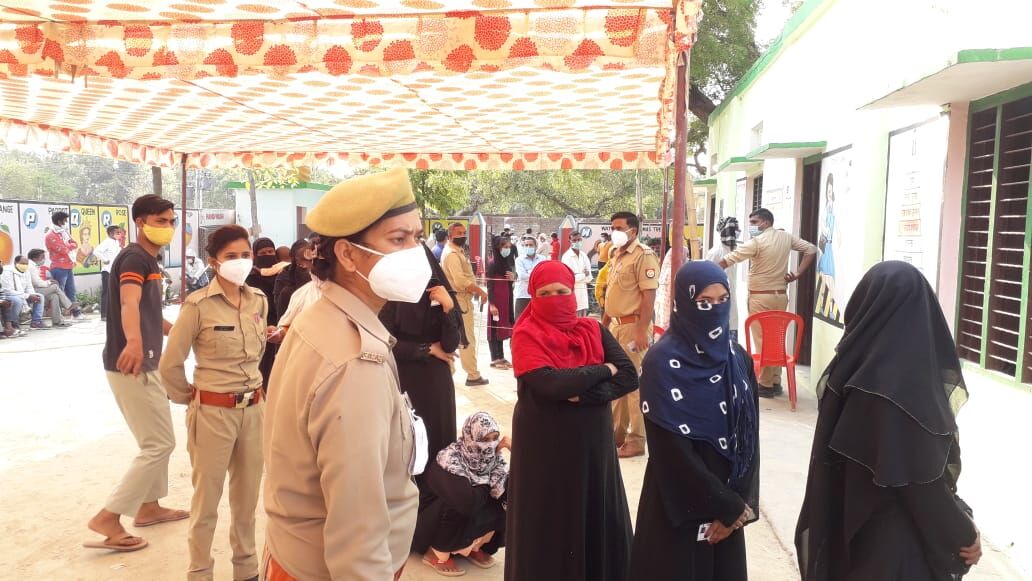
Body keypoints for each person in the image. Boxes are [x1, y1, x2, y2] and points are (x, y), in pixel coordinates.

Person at [263, 167, 423, 581]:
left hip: (295, 554)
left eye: (417, 237)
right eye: (398, 239)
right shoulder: (354, 361)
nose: (415, 253)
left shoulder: (323, 316)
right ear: (348, 255)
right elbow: (357, 531)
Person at [795, 261, 982, 580]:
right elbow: (922, 484)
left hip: (850, 543)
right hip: (897, 556)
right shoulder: (902, 392)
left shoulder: (849, 371)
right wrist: (963, 535)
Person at [506, 261, 638, 581]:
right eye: (544, 293)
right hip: (544, 447)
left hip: (592, 447)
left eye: (561, 291)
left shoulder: (593, 329)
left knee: (593, 514)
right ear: (532, 295)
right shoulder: (526, 333)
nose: (554, 298)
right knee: (549, 521)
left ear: (573, 292)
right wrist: (603, 369)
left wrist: (587, 395)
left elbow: (629, 375)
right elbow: (551, 385)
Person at [630, 261, 760, 581]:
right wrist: (726, 506)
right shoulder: (662, 363)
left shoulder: (737, 358)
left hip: (728, 502)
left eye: (722, 300)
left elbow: (749, 436)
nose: (714, 309)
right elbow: (670, 453)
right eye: (704, 302)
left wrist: (738, 505)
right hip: (679, 500)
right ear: (684, 303)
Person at [159, 224, 268, 581]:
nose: (241, 262)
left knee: (247, 501)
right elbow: (170, 363)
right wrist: (192, 399)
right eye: (231, 256)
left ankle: (246, 570)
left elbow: (258, 357)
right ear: (213, 261)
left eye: (245, 255)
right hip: (212, 413)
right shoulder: (198, 306)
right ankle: (200, 571)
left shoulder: (258, 300)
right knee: (206, 502)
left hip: (254, 411)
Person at [86, 194, 186, 553]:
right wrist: (132, 342)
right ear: (140, 222)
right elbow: (128, 303)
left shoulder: (148, 260)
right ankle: (109, 517)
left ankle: (149, 507)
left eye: (171, 221)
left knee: (157, 439)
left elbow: (149, 314)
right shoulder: (134, 258)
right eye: (161, 221)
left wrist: (183, 332)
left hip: (147, 361)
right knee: (159, 443)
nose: (168, 227)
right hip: (131, 363)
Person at [379, 241, 463, 491]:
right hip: (405, 377)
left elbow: (451, 345)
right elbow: (384, 341)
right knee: (408, 439)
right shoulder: (390, 296)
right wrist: (427, 349)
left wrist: (448, 308)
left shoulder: (438, 292)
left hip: (436, 381)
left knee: (439, 437)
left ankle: (438, 498)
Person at [719, 208, 817, 398]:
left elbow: (727, 260)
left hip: (760, 298)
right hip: (780, 296)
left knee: (762, 340)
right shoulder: (786, 237)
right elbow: (811, 249)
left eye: (754, 222)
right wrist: (798, 273)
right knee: (776, 339)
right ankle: (775, 381)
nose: (751, 226)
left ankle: (765, 384)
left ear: (765, 222)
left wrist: (707, 272)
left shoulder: (757, 242)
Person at [415, 412, 509, 576]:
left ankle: (473, 547)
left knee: (504, 501)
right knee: (461, 501)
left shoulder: (494, 461)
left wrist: (517, 450)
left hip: (462, 513)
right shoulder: (450, 460)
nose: (490, 445)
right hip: (428, 523)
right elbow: (468, 504)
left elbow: (512, 495)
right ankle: (435, 553)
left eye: (495, 438)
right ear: (470, 438)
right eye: (484, 439)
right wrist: (487, 479)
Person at [603, 211, 660, 459]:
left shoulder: (643, 255)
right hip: (616, 326)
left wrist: (641, 331)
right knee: (617, 380)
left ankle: (637, 439)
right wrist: (603, 325)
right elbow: (611, 294)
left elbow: (649, 297)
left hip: (633, 326)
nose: (614, 231)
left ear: (633, 231)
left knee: (635, 384)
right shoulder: (616, 254)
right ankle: (616, 435)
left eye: (618, 227)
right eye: (612, 227)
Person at [441, 222, 490, 387]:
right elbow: (460, 281)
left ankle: (451, 371)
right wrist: (480, 291)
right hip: (460, 300)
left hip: (460, 299)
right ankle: (472, 374)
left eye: (464, 233)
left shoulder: (456, 251)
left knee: (458, 338)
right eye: (459, 233)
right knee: (466, 339)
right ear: (450, 236)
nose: (463, 236)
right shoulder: (452, 254)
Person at [246, 237, 282, 388]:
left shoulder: (283, 275)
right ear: (255, 255)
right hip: (259, 331)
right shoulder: (250, 279)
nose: (267, 255)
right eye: (262, 253)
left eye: (270, 252)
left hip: (281, 330)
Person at [705, 217, 741, 341]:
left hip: (731, 298)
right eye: (734, 228)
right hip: (717, 300)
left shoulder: (736, 250)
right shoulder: (715, 252)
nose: (737, 231)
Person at [45, 211, 84, 319]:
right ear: (59, 221)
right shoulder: (50, 235)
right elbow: (62, 250)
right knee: (60, 292)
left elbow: (75, 243)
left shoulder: (64, 232)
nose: (66, 222)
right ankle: (59, 316)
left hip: (69, 265)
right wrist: (69, 245)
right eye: (65, 220)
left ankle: (76, 313)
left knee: (71, 290)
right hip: (58, 267)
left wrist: (68, 245)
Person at [653, 233, 690, 338]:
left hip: (663, 310)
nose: (687, 258)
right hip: (669, 309)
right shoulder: (674, 272)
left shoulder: (668, 270)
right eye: (686, 255)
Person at [486, 235, 516, 369]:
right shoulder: (492, 263)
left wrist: (513, 277)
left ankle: (501, 357)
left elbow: (510, 282)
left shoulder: (506, 262)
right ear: (498, 248)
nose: (507, 250)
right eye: (504, 247)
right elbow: (489, 285)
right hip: (496, 301)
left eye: (509, 247)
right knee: (494, 328)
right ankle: (494, 358)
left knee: (502, 327)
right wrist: (492, 304)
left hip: (506, 301)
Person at [27, 249, 74, 328]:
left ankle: (57, 321)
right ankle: (68, 305)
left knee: (54, 296)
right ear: (35, 258)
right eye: (42, 257)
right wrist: (49, 283)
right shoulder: (31, 267)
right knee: (55, 286)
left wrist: (48, 282)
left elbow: (39, 282)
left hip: (36, 289)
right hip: (31, 291)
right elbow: (37, 283)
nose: (44, 259)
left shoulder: (35, 266)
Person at [0, 255, 47, 330]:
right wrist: (27, 296)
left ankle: (36, 321)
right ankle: (14, 323)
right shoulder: (7, 271)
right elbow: (8, 291)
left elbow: (29, 287)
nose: (24, 266)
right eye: (22, 263)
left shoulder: (26, 271)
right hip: (8, 295)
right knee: (17, 300)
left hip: (22, 294)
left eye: (26, 264)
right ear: (15, 262)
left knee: (39, 297)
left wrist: (32, 295)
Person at [272, 239, 312, 317]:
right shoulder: (286, 289)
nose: (306, 266)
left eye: (309, 260)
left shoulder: (320, 287)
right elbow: (282, 318)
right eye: (301, 264)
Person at [94, 225, 126, 320]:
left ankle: (114, 313)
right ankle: (104, 314)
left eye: (119, 232)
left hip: (115, 272)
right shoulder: (107, 242)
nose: (119, 234)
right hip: (107, 271)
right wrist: (105, 259)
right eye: (117, 233)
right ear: (111, 233)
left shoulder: (116, 243)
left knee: (115, 292)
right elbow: (96, 251)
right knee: (106, 293)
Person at [561, 231, 593, 317]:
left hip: (583, 294)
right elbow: (569, 278)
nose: (577, 242)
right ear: (570, 241)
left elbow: (589, 277)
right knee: (572, 318)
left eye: (579, 240)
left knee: (583, 319)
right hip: (572, 293)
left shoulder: (584, 256)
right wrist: (583, 274)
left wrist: (578, 275)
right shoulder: (566, 257)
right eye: (574, 240)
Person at [514, 236, 546, 321]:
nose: (528, 247)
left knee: (538, 322)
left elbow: (544, 275)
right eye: (526, 245)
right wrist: (537, 274)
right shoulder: (519, 260)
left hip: (539, 295)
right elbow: (522, 276)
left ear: (536, 246)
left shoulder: (542, 259)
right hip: (523, 295)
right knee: (521, 321)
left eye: (531, 245)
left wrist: (529, 272)